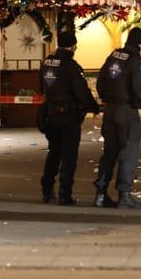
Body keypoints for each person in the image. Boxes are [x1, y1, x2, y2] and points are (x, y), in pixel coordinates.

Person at [94, 27, 141, 209]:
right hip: (126, 111)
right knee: (128, 152)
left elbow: (100, 82)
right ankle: (124, 194)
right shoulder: (135, 60)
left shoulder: (113, 56)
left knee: (109, 152)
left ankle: (100, 194)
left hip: (109, 110)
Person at [39, 30, 100, 206]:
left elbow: (42, 87)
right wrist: (94, 108)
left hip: (51, 116)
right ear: (73, 46)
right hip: (69, 117)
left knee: (54, 154)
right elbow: (82, 92)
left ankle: (46, 190)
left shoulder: (47, 64)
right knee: (69, 157)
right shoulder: (71, 66)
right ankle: (65, 194)